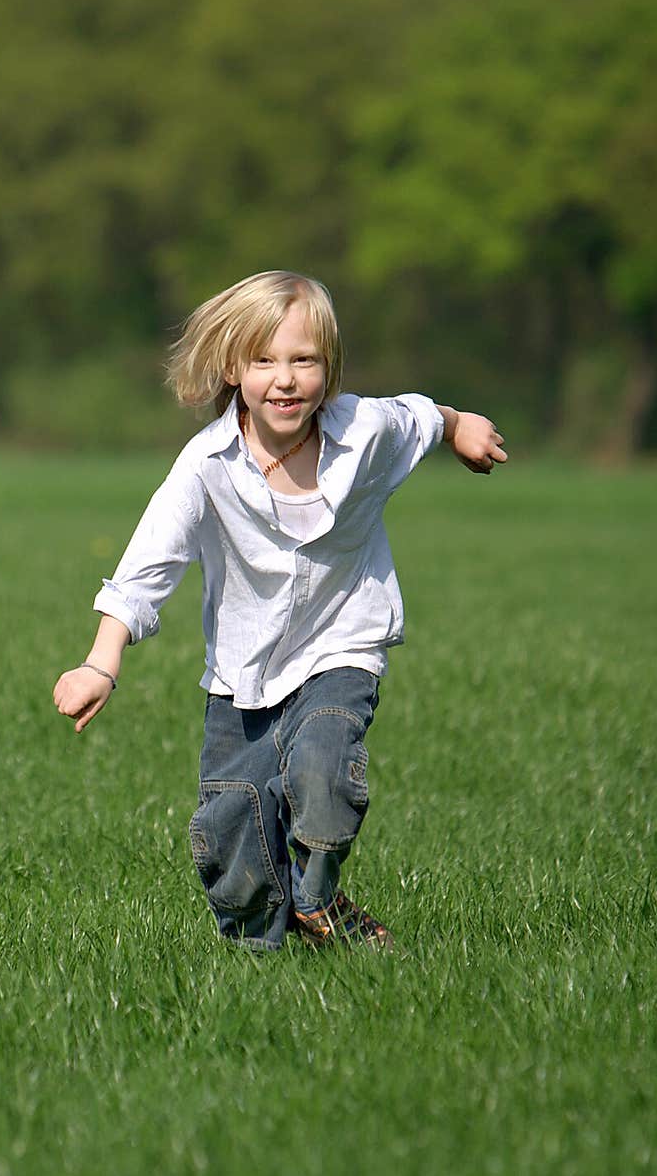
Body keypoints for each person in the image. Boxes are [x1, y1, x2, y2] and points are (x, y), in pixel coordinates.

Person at [53, 270, 507, 952]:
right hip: (243, 672)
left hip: (340, 650)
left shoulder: (366, 432)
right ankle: (262, 954)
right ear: (234, 366)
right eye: (265, 360)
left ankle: (317, 897)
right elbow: (149, 564)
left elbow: (422, 415)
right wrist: (101, 661)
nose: (286, 379)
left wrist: (461, 425)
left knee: (323, 775)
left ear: (330, 368)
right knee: (231, 840)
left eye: (304, 360)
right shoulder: (207, 464)